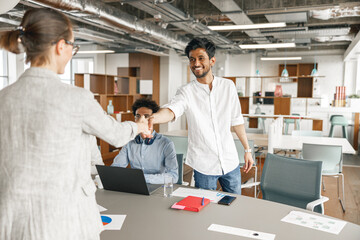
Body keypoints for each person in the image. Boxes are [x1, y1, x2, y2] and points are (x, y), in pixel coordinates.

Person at [0, 8, 150, 240]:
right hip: (62, 223)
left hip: (12, 223)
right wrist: (138, 125)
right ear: (61, 46)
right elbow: (116, 136)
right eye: (73, 46)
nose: (72, 52)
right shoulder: (75, 98)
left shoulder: (3, 97)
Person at [149, 38, 254, 194]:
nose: (196, 63)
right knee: (206, 210)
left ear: (212, 61)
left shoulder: (228, 87)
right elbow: (172, 109)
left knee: (235, 205)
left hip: (230, 161)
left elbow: (237, 121)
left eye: (200, 58)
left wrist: (247, 150)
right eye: (192, 59)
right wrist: (153, 118)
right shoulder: (186, 91)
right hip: (204, 165)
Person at [112, 98, 178, 184]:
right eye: (138, 116)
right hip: (135, 187)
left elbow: (173, 176)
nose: (141, 121)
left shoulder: (166, 144)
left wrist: (142, 178)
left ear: (153, 119)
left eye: (146, 116)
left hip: (157, 189)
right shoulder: (130, 142)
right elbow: (116, 168)